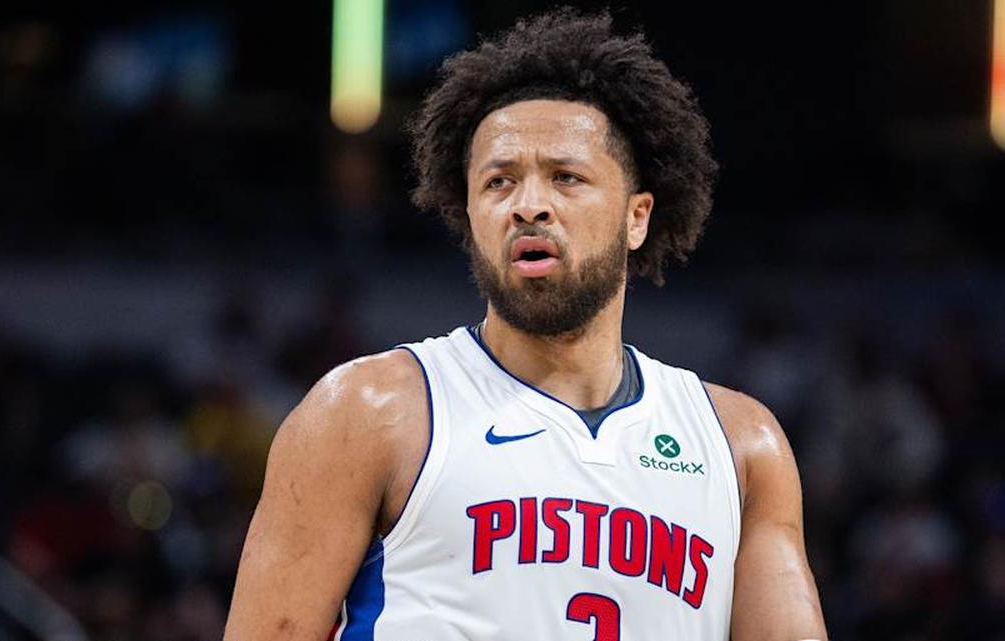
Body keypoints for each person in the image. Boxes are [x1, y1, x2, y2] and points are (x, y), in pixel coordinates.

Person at [223, 8, 827, 641]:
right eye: (498, 182)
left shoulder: (741, 448)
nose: (527, 205)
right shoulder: (369, 413)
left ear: (637, 216)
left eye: (566, 177)